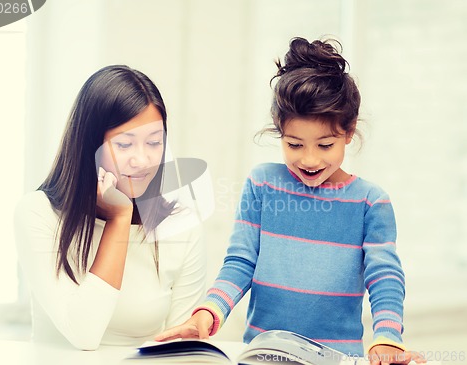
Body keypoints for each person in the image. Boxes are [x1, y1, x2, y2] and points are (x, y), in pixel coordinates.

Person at [155, 38, 426, 365]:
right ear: (279, 132)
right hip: (263, 355)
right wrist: (208, 311)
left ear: (349, 132)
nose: (309, 159)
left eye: (325, 145)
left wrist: (388, 338)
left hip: (337, 359)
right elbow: (241, 262)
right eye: (294, 144)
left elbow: (385, 278)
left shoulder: (370, 202)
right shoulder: (262, 184)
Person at [14, 65, 206, 350]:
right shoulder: (38, 213)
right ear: (88, 145)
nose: (142, 160)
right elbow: (83, 334)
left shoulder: (182, 225)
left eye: (154, 142)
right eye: (125, 144)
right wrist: (119, 217)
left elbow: (180, 349)